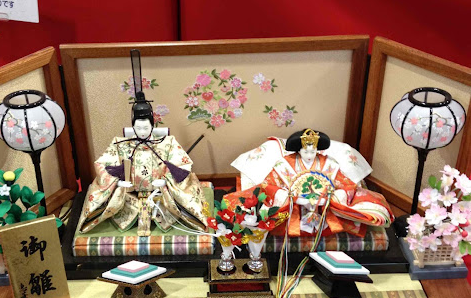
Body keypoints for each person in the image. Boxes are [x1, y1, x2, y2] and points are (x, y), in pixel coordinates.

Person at [77, 93, 209, 236]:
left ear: (152, 125)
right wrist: (118, 182)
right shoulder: (120, 144)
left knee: (187, 194)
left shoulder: (167, 143)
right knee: (101, 196)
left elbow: (183, 164)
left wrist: (166, 181)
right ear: (132, 126)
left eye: (146, 128)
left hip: (161, 196)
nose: (142, 132)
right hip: (128, 197)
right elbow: (102, 164)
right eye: (138, 128)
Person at [228, 128, 393, 238]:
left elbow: (346, 185)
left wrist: (332, 197)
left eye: (313, 151)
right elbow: (269, 185)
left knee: (357, 208)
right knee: (259, 211)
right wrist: (290, 197)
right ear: (298, 150)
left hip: (325, 210)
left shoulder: (330, 163)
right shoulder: (284, 164)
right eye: (305, 151)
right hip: (292, 209)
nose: (309, 155)